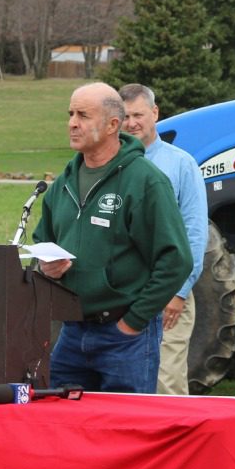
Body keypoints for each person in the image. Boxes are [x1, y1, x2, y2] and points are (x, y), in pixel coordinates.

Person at [33, 82, 192, 394]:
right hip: (72, 333)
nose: (72, 123)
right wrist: (45, 267)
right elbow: (43, 239)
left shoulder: (144, 181)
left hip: (124, 337)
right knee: (60, 425)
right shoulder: (63, 182)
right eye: (70, 114)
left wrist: (133, 321)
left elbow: (177, 260)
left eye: (83, 115)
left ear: (112, 125)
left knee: (127, 432)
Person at [119, 83, 208, 396]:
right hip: (119, 295)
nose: (132, 123)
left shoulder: (180, 165)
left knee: (165, 384)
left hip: (166, 294)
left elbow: (195, 233)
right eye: (125, 116)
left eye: (138, 115)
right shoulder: (108, 164)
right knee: (121, 386)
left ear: (155, 114)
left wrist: (179, 292)